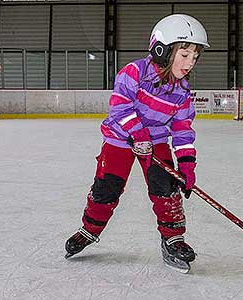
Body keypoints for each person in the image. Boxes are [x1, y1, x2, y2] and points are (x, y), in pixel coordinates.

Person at [64, 14, 210, 273]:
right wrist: (138, 135)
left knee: (166, 189)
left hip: (155, 142)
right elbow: (120, 107)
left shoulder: (182, 92)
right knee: (106, 187)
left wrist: (187, 165)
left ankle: (173, 238)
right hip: (120, 139)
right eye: (185, 55)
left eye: (195, 57)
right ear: (161, 49)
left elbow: (182, 129)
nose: (190, 63)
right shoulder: (133, 72)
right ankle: (89, 229)